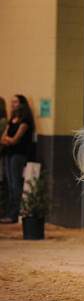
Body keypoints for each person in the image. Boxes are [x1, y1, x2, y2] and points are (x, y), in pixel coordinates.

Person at [0, 95, 35, 224]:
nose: (12, 104)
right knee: (9, 184)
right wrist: (8, 140)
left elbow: (15, 139)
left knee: (16, 184)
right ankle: (9, 212)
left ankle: (14, 214)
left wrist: (8, 140)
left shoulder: (25, 121)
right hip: (8, 154)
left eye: (15, 101)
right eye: (11, 101)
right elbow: (4, 137)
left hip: (18, 155)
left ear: (22, 104)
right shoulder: (12, 120)